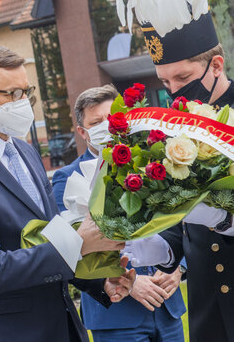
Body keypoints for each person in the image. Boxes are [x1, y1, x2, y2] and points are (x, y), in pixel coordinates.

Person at [0, 45, 136, 342]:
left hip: (61, 324)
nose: (23, 102)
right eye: (12, 94)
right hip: (7, 333)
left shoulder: (25, 151)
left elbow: (52, 236)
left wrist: (99, 281)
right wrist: (79, 244)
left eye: (27, 92)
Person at [117, 0, 234, 341]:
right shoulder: (172, 129)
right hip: (209, 312)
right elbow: (186, 222)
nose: (174, 92)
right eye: (165, 82)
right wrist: (158, 246)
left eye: (182, 78)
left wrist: (225, 220)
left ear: (216, 65)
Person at [52, 85, 186, 342]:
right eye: (96, 122)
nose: (106, 125)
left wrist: (178, 266)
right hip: (117, 314)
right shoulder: (67, 178)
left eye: (110, 118)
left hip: (167, 304)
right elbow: (69, 247)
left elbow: (181, 218)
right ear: (82, 131)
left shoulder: (150, 161)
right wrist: (127, 282)